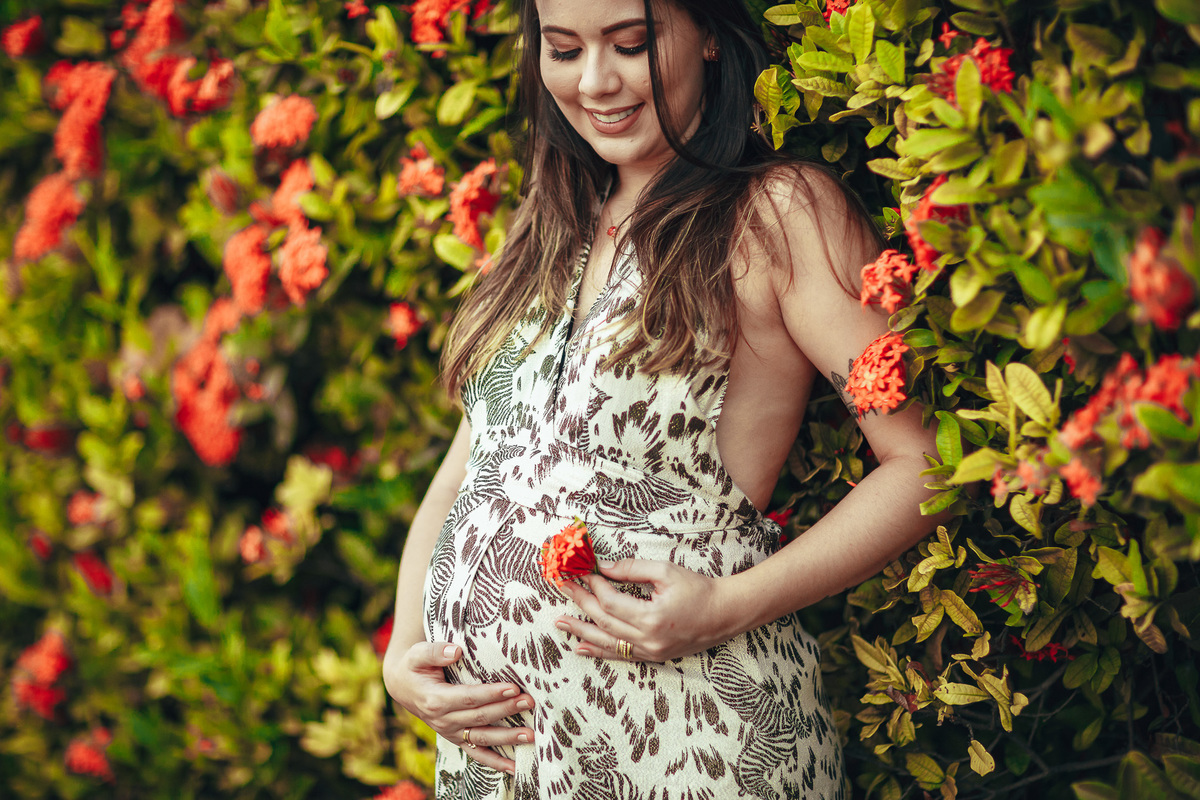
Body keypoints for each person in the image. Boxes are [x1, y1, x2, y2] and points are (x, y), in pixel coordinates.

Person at [382, 0, 941, 797]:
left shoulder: (778, 213)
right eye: (564, 49)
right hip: (513, 765)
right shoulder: (547, 225)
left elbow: (922, 465)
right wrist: (406, 649)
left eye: (632, 43)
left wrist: (725, 606)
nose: (596, 82)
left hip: (698, 740)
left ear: (709, 32)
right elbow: (472, 467)